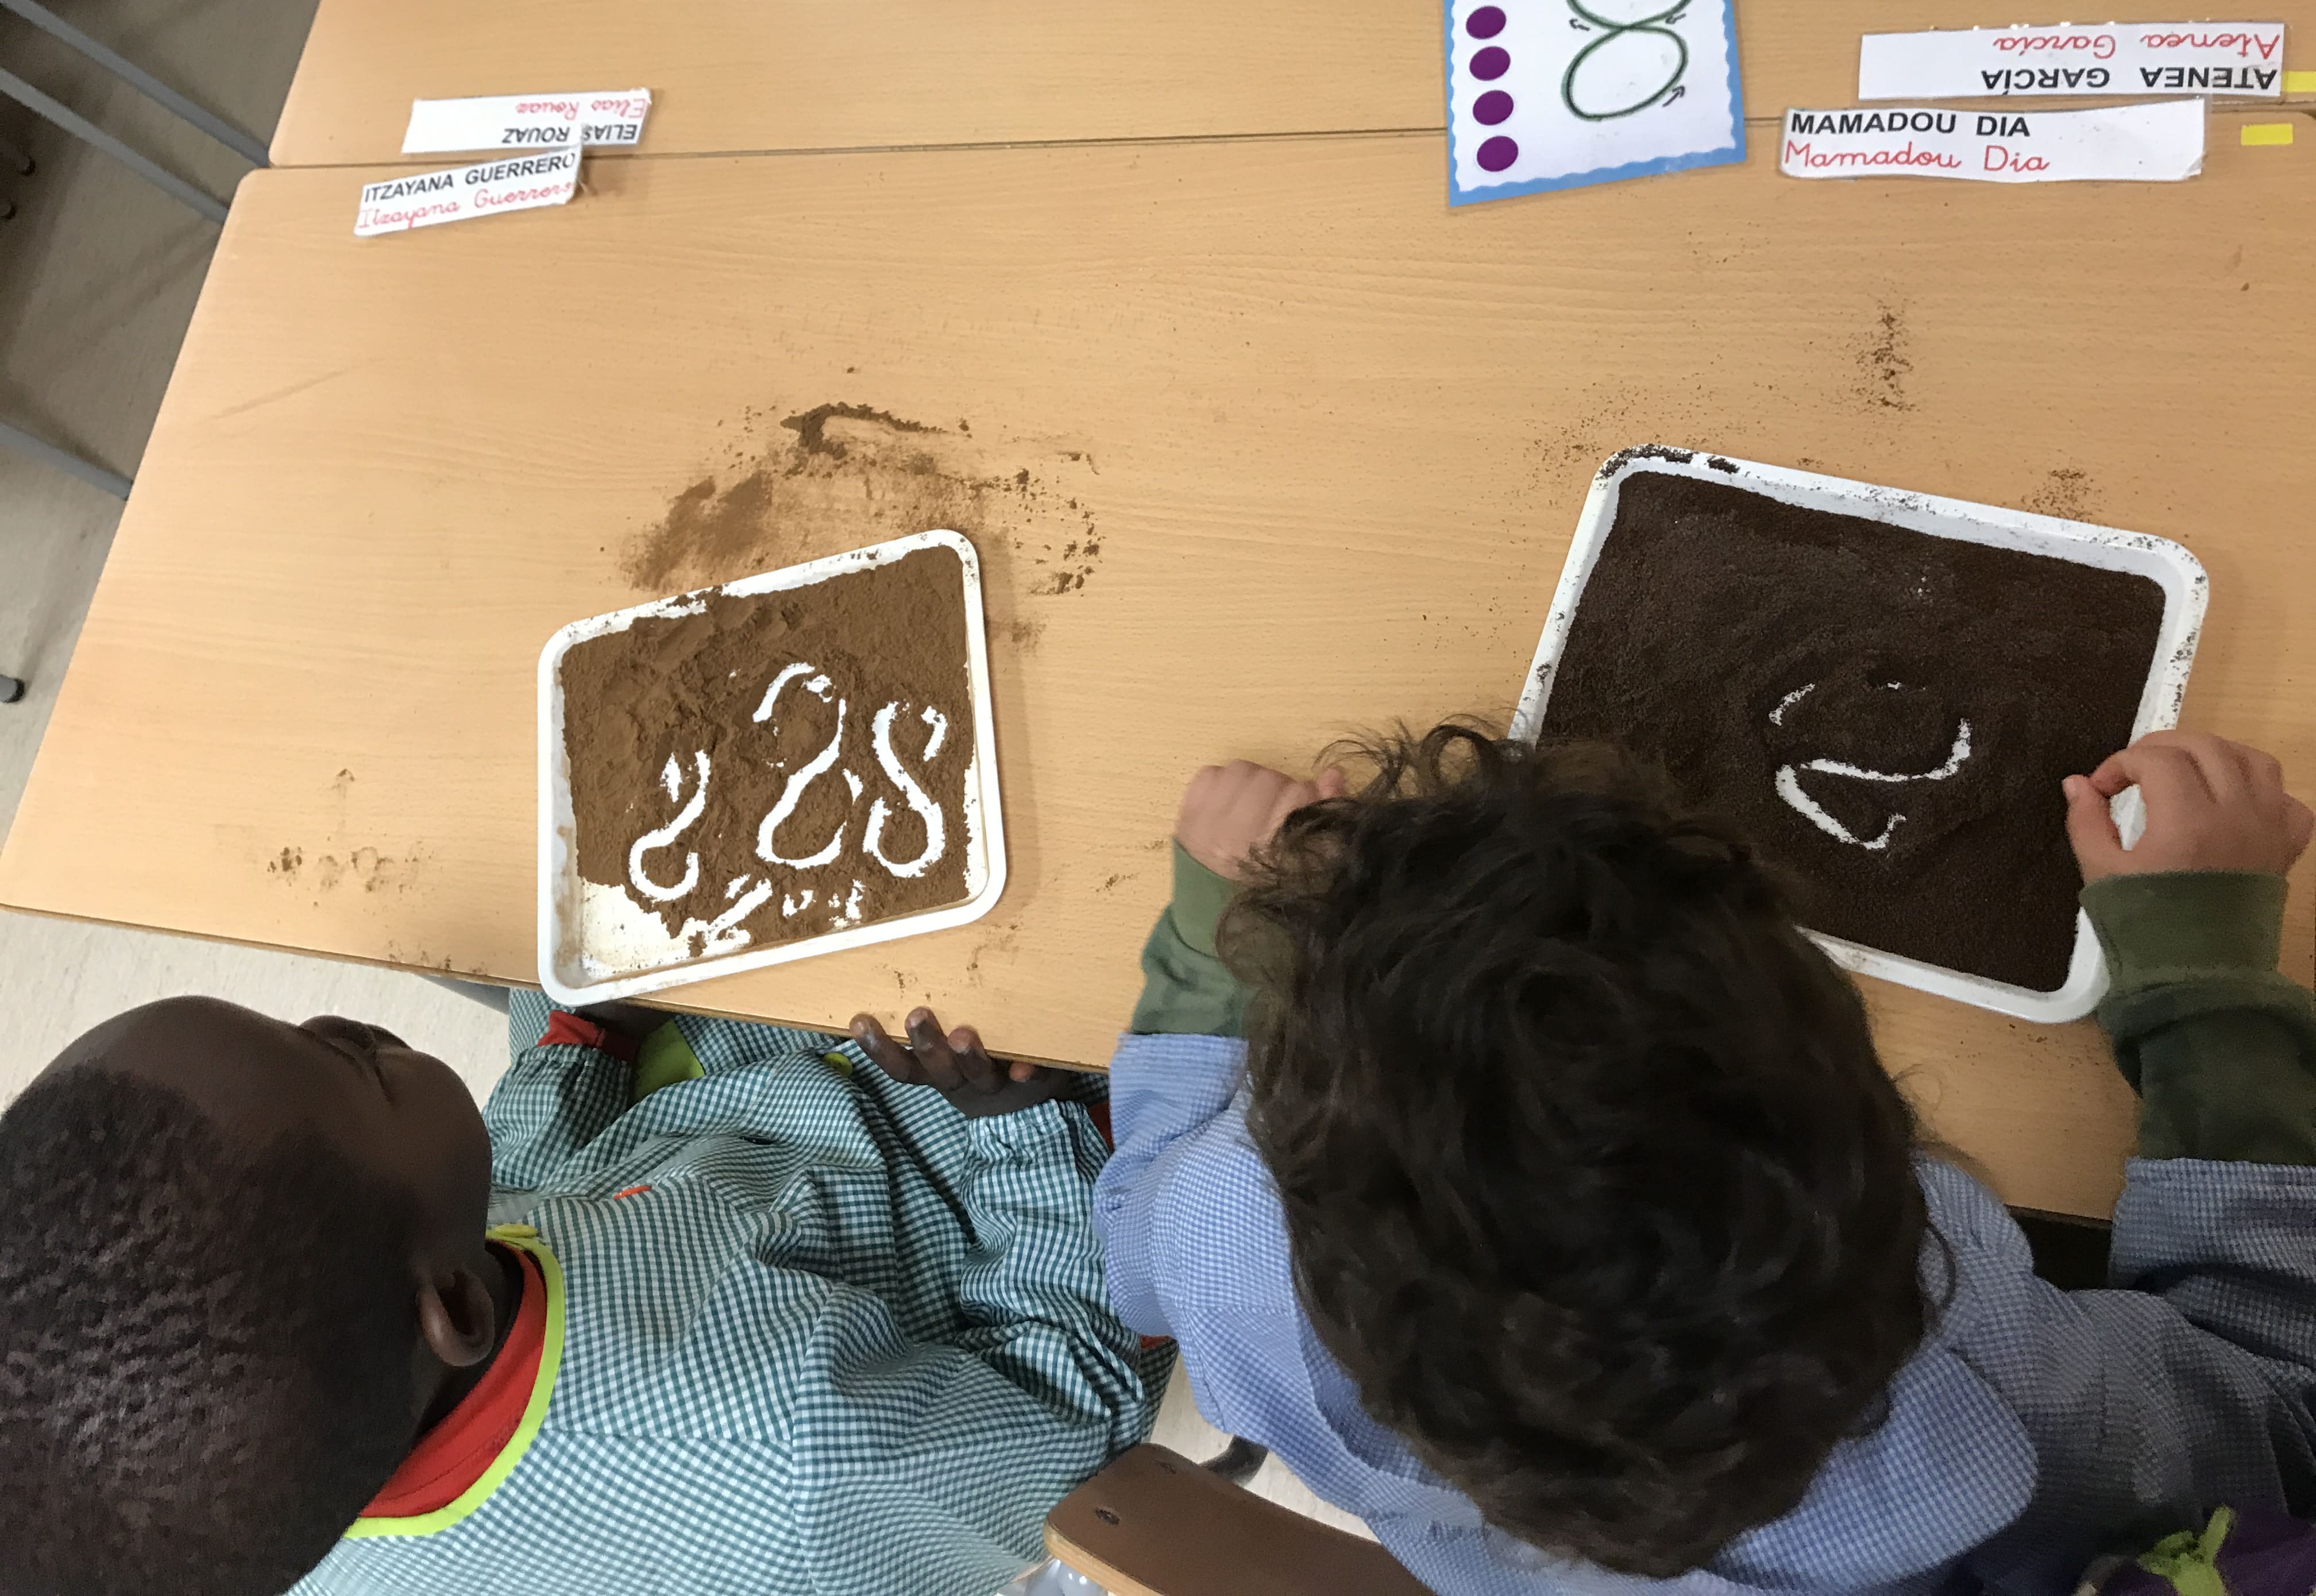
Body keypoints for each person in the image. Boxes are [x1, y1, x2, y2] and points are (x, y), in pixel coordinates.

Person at [1096, 724, 2316, 1595]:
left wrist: (1205, 960)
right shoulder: (1977, 1370)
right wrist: (2202, 978)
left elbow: (1134, 1267)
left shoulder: (1224, 1236)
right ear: (1877, 1130)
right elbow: (2281, 1420)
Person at [0, 990, 1164, 1596]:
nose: (345, 1020)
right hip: (997, 1207)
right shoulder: (797, 1454)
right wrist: (1024, 1133)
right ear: (454, 1308)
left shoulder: (333, 1424)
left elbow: (526, 1183)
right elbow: (1075, 1422)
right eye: (348, 1062)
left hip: (713, 1140)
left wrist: (578, 1038)